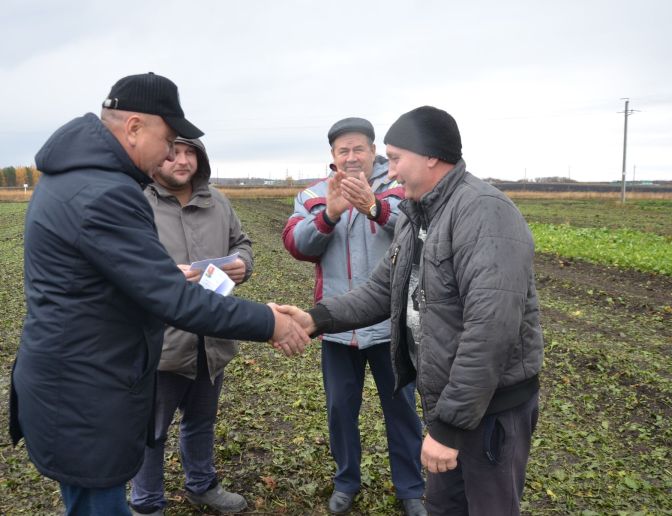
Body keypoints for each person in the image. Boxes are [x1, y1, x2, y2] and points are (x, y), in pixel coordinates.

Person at [9, 72, 308, 516]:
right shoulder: (105, 193)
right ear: (133, 127)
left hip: (73, 386)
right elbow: (174, 299)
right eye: (168, 140)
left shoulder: (76, 177)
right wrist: (271, 321)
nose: (172, 153)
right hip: (85, 398)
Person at [280, 106, 544, 515]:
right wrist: (316, 318)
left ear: (431, 156)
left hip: (491, 408)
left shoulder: (483, 211)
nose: (392, 170)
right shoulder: (416, 213)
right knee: (442, 506)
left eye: (396, 158)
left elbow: (490, 331)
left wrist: (449, 428)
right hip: (447, 403)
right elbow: (381, 289)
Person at [282, 118, 426, 515]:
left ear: (373, 150)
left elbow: (416, 231)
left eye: (358, 149)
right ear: (332, 156)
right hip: (337, 327)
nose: (351, 157)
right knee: (340, 410)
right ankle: (346, 481)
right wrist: (329, 214)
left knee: (402, 410)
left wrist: (373, 207)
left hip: (390, 325)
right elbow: (296, 244)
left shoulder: (399, 189)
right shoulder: (313, 194)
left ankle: (411, 489)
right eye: (343, 150)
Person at [129, 136, 254, 515]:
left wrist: (242, 264)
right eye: (174, 153)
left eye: (190, 154)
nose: (182, 161)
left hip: (212, 337)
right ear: (157, 158)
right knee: (152, 431)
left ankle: (201, 484)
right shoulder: (136, 203)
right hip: (160, 342)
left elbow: (242, 242)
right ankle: (147, 503)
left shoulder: (217, 201)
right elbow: (123, 266)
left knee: (202, 421)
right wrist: (164, 277)